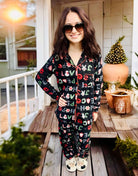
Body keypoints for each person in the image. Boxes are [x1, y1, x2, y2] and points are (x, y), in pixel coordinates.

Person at [35, 6, 103, 172]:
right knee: (66, 136)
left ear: (85, 27)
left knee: (84, 136)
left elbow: (97, 83)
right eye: (68, 27)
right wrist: (57, 96)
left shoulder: (93, 55)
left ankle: (82, 156)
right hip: (65, 108)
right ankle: (71, 157)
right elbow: (40, 77)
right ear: (63, 30)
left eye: (78, 26)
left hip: (86, 108)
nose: (74, 30)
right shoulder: (58, 57)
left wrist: (95, 108)